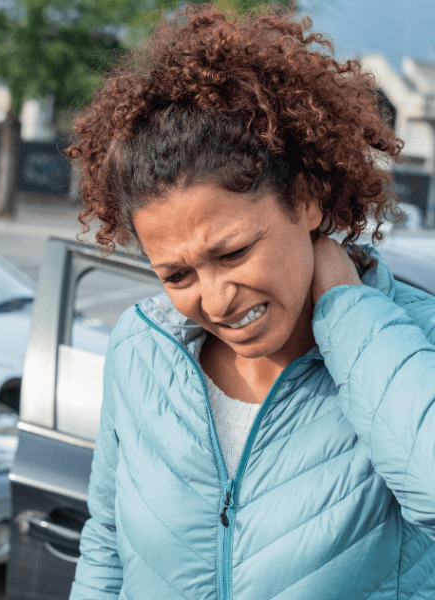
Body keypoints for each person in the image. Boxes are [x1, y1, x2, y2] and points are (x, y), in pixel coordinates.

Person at [66, 4, 435, 599]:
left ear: (308, 199)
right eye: (177, 274)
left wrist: (346, 308)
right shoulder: (141, 349)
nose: (214, 299)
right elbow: (107, 545)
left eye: (234, 253)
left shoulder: (413, 342)